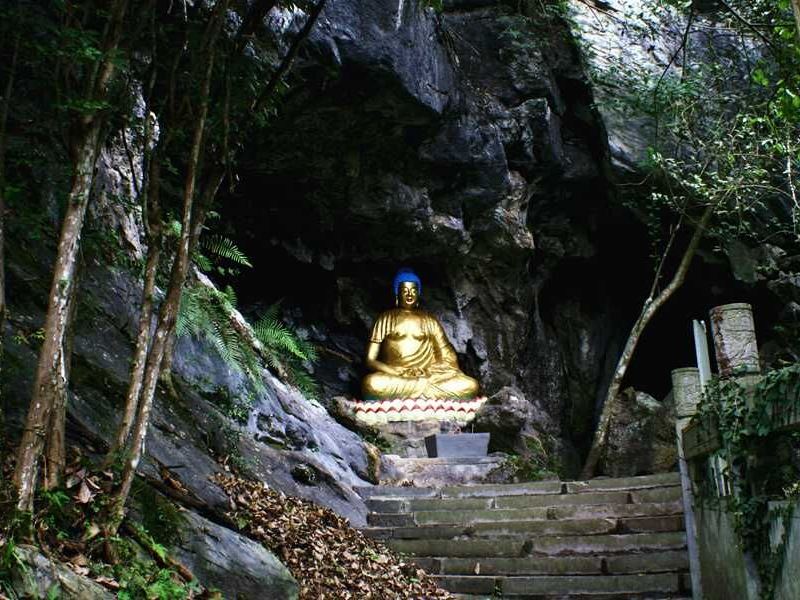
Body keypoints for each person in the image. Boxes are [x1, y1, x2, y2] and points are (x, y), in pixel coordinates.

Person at [362, 268, 479, 400]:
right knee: (371, 384)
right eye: (405, 291)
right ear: (397, 293)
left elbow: (448, 356)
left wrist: (428, 371)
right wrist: (394, 372)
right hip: (396, 377)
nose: (409, 295)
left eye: (413, 291)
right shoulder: (385, 318)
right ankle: (428, 397)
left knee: (470, 385)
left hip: (428, 376)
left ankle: (412, 396)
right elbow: (370, 360)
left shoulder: (429, 320)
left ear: (418, 293)